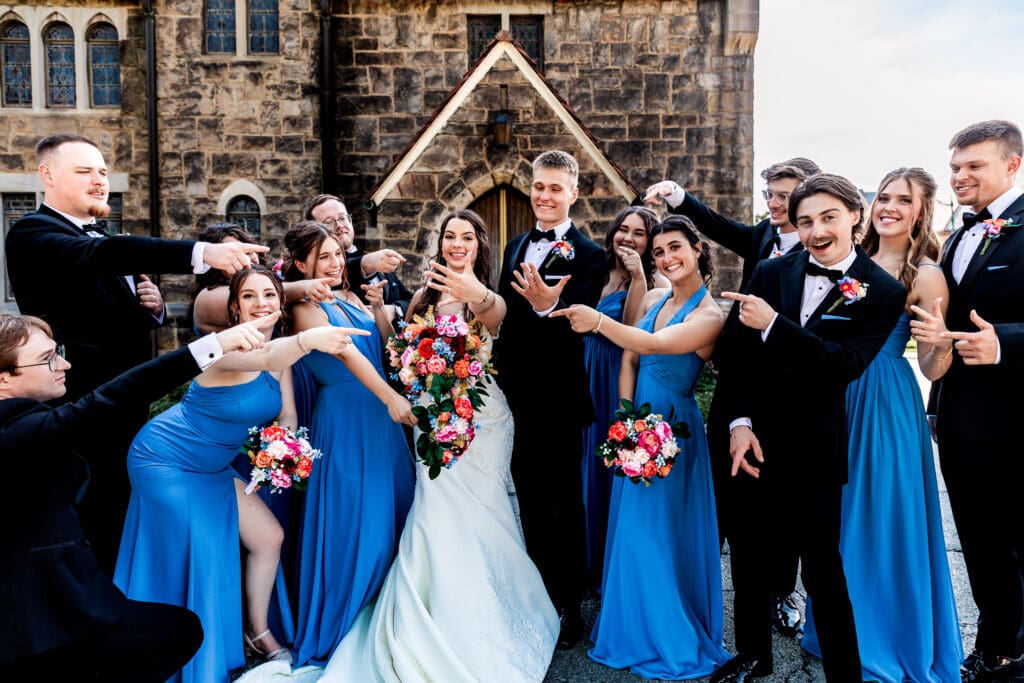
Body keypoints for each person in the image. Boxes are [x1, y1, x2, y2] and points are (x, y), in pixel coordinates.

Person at [4, 134, 268, 573]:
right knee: (94, 509)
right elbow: (101, 255)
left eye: (103, 172)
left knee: (122, 504)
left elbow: (106, 302)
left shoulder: (99, 235)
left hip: (128, 397)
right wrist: (203, 253)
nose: (99, 181)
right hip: (82, 398)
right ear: (47, 175)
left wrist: (152, 308)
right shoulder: (33, 231)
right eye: (84, 171)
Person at [321, 210, 559, 682]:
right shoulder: (423, 297)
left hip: (482, 420)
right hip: (430, 418)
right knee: (435, 509)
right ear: (441, 243)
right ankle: (430, 611)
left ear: (479, 245)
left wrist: (474, 292)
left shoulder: (491, 298)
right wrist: (379, 311)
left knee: (485, 512)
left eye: (467, 236)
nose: (457, 243)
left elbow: (495, 317)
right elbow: (396, 352)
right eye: (450, 236)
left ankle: (493, 612)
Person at [114, 267, 364, 683]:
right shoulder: (220, 348)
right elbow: (265, 357)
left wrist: (283, 450)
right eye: (249, 296)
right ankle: (183, 652)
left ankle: (258, 632)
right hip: (166, 460)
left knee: (269, 537)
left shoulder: (280, 355)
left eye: (269, 295)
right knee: (205, 551)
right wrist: (308, 340)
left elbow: (286, 414)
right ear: (234, 307)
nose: (260, 303)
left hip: (213, 466)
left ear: (280, 302)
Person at [0, 312, 272, 681]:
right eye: (48, 358)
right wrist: (215, 345)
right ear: (4, 378)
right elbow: (114, 396)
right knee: (178, 632)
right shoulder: (21, 432)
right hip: (42, 616)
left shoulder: (22, 422)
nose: (64, 364)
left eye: (57, 352)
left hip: (56, 606)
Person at [711, 173, 905, 683]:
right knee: (749, 559)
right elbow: (736, 353)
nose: (816, 231)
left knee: (822, 569)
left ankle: (844, 674)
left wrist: (775, 326)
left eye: (828, 217)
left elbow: (843, 364)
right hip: (754, 440)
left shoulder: (884, 291)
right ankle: (753, 656)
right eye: (805, 221)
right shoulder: (771, 271)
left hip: (816, 448)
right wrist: (739, 422)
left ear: (855, 215)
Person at [645, 157, 821, 637]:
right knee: (724, 486)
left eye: (785, 195)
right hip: (741, 382)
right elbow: (719, 226)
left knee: (780, 498)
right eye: (771, 195)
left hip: (791, 391)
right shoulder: (763, 237)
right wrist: (678, 196)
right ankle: (706, 585)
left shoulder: (825, 252)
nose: (775, 204)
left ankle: (782, 591)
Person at [799, 168, 962, 681]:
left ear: (922, 210)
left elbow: (933, 368)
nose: (889, 207)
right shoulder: (853, 258)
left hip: (886, 399)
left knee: (883, 512)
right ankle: (840, 629)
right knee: (841, 512)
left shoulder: (926, 274)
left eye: (904, 200)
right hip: (835, 392)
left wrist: (940, 344)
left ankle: (886, 637)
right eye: (884, 197)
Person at [554, 215, 730, 679]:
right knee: (631, 529)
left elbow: (651, 343)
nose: (667, 258)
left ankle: (669, 634)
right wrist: (627, 421)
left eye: (676, 248)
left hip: (674, 432)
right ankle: (631, 628)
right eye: (659, 252)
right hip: (637, 429)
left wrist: (597, 321)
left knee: (661, 533)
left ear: (697, 249)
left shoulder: (709, 317)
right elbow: (630, 359)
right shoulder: (653, 298)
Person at [286, 221, 416, 666]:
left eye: (338, 254)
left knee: (393, 517)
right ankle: (346, 623)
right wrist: (391, 398)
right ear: (301, 264)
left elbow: (382, 348)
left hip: (379, 417)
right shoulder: (303, 308)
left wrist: (378, 310)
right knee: (357, 521)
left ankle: (389, 621)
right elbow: (344, 351)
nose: (335, 263)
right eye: (323, 257)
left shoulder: (350, 296)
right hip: (345, 417)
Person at [494, 150, 606, 649]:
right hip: (516, 395)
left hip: (559, 400)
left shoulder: (591, 255)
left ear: (573, 194)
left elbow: (580, 325)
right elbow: (505, 318)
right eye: (539, 186)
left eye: (555, 188)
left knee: (563, 504)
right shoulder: (516, 245)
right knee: (530, 502)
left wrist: (550, 305)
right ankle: (537, 593)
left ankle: (569, 604)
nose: (544, 195)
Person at [927, 120, 1024, 680]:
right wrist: (937, 402)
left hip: (1017, 418)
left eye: (974, 166)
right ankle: (995, 644)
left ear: (1012, 165)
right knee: (980, 541)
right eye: (955, 167)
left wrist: (1006, 342)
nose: (960, 176)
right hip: (960, 420)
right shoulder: (959, 236)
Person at [579, 205, 659, 591]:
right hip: (585, 367)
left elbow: (630, 328)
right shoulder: (597, 269)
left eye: (639, 233)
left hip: (616, 372)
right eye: (623, 229)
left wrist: (638, 275)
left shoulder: (653, 281)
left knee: (608, 461)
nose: (628, 237)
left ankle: (607, 563)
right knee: (583, 460)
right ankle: (583, 559)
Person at [302, 194, 414, 321]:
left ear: (350, 220)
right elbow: (348, 269)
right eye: (328, 222)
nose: (339, 225)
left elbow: (411, 301)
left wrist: (394, 309)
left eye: (342, 218)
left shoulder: (380, 260)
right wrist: (367, 263)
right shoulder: (320, 271)